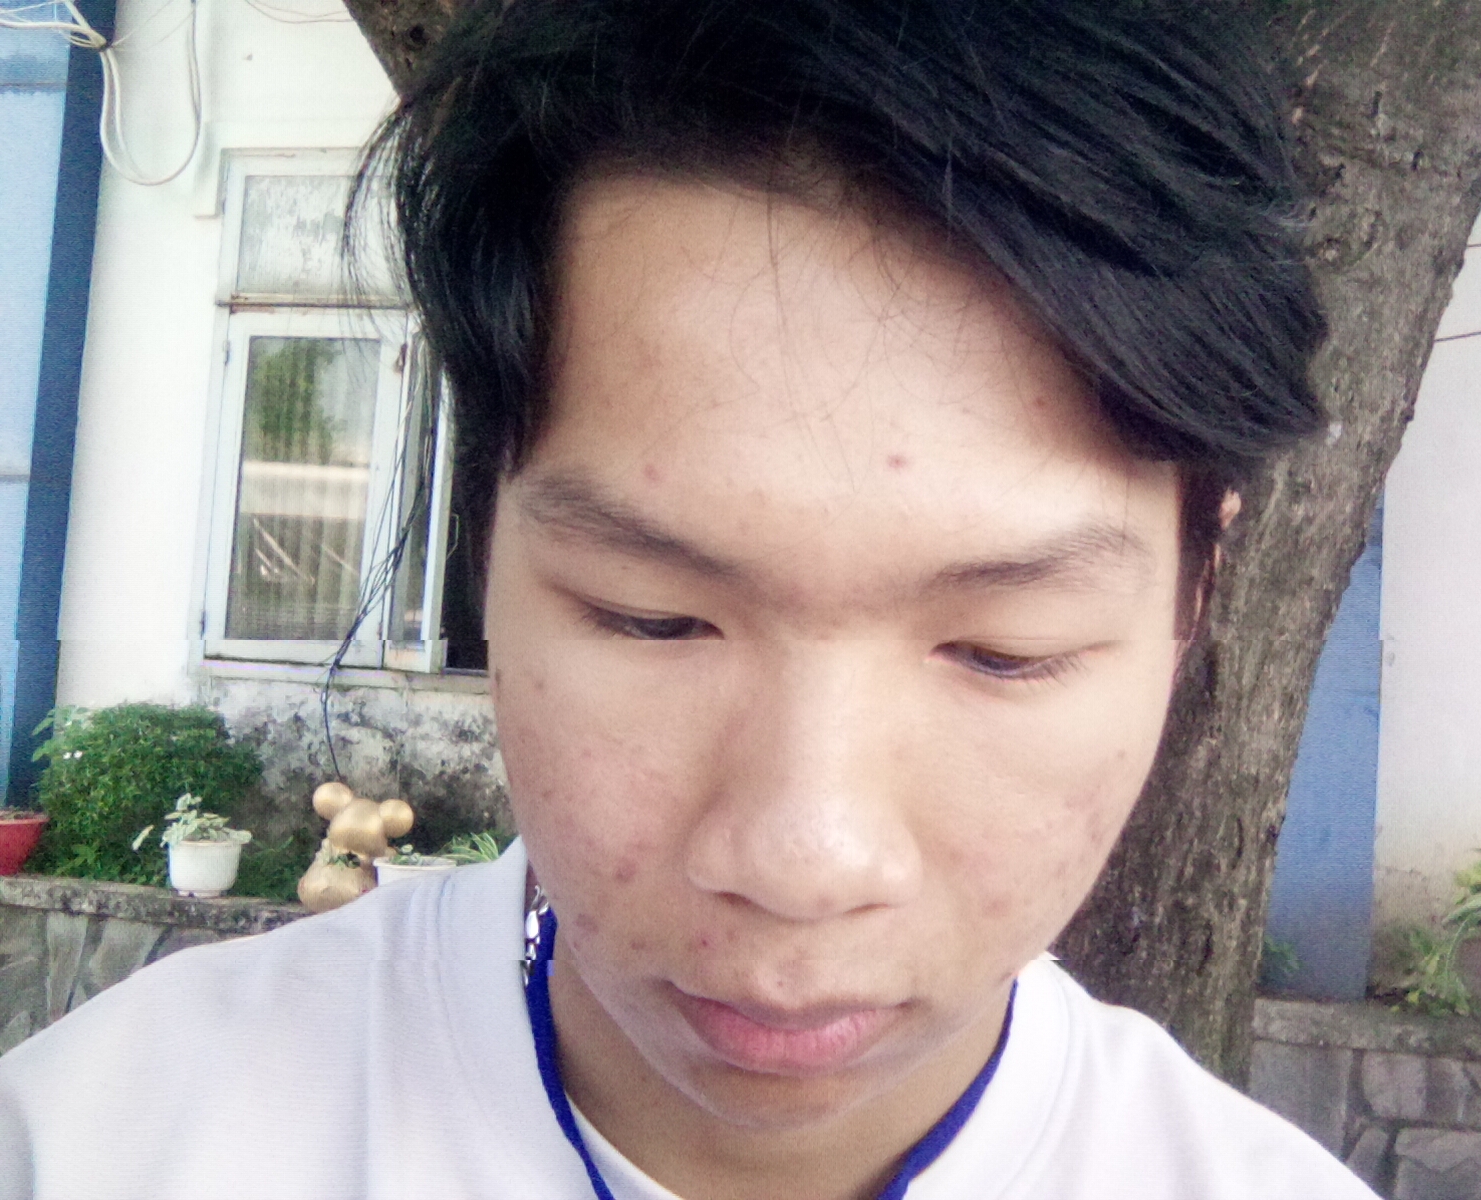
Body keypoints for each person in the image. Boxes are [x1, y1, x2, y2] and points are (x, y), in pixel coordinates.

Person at [0, 1, 1376, 1197]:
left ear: (1193, 595)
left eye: (1004, 652)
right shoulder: (94, 1148)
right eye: (652, 618)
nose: (803, 860)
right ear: (484, 541)